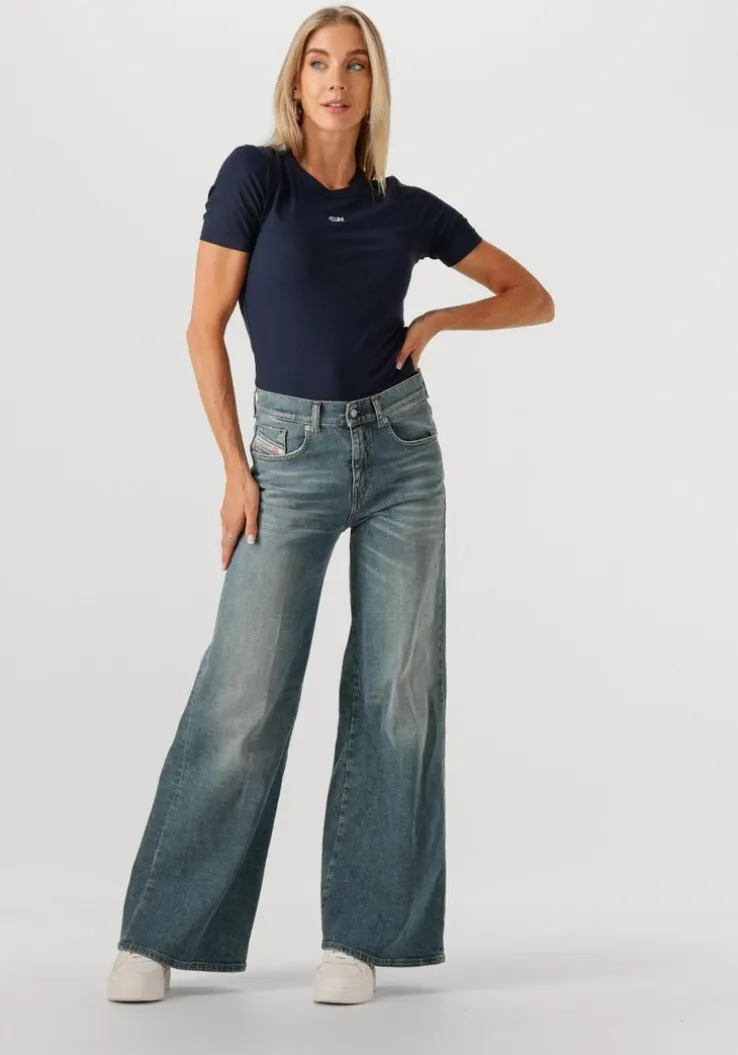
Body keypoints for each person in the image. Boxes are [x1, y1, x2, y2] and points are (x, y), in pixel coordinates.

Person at [106, 5, 554, 1006]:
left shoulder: (408, 207)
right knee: (245, 692)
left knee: (399, 691)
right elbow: (203, 328)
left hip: (401, 452)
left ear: (373, 85)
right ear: (295, 80)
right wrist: (235, 469)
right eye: (319, 63)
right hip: (287, 454)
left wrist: (440, 318)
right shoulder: (255, 179)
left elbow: (533, 296)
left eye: (355, 66)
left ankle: (361, 937)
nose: (337, 81)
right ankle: (160, 933)